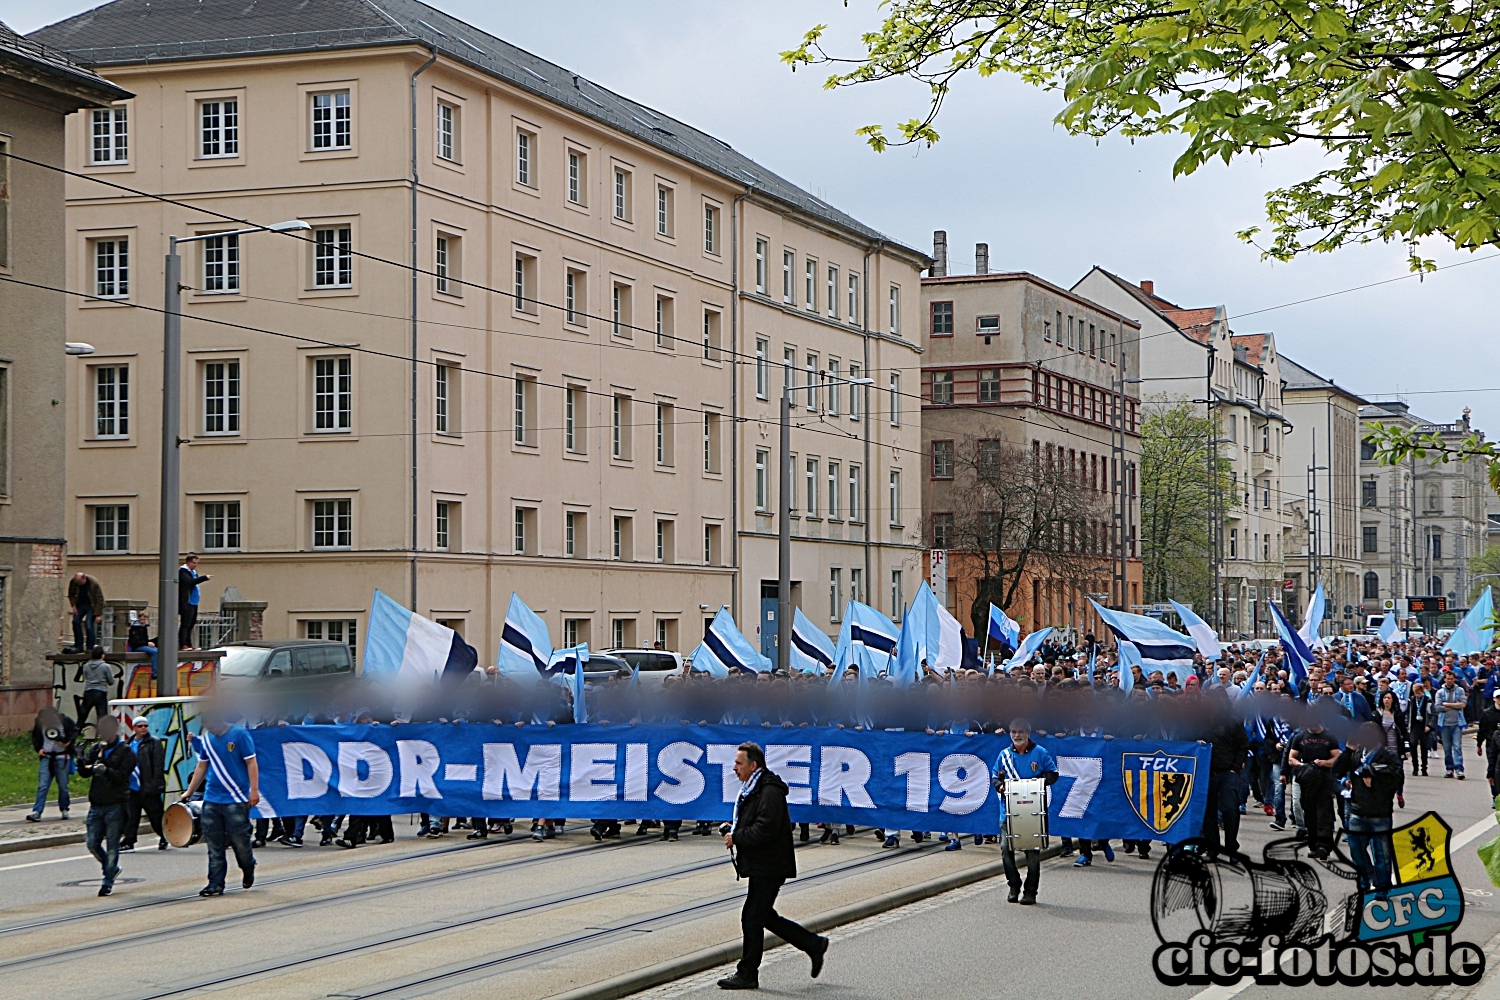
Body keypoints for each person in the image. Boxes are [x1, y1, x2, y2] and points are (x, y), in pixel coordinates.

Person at [716, 741, 828, 991]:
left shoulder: (768, 791)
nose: (734, 768)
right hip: (763, 863)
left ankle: (747, 974)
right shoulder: (754, 788)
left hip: (770, 864)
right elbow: (756, 820)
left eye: (738, 763)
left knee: (752, 916)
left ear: (753, 765)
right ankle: (813, 944)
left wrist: (738, 836)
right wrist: (734, 827)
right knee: (762, 915)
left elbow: (766, 827)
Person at [180, 711, 259, 897]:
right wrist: (189, 792)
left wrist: (254, 790)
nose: (210, 730)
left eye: (212, 726)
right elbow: (202, 766)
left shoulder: (239, 735)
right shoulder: (208, 739)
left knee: (240, 841)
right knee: (214, 844)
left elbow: (251, 763)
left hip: (236, 798)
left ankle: (248, 866)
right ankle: (215, 883)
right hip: (212, 798)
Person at [1335, 721, 1405, 898]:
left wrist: (1374, 779)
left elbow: (1396, 780)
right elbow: (1338, 770)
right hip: (1357, 811)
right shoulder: (1357, 753)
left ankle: (1382, 888)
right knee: (1356, 849)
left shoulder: (1388, 756)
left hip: (1380, 813)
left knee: (1382, 854)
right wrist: (1349, 751)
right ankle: (1366, 879)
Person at [993, 717, 1059, 905]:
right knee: (1006, 849)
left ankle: (1031, 891)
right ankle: (1013, 884)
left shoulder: (1040, 753)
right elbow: (995, 776)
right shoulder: (1004, 755)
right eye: (1013, 731)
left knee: (1032, 853)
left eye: (1021, 731)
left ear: (1028, 733)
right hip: (1008, 811)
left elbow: (1053, 774)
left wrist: (1037, 783)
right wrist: (1000, 787)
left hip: (1033, 811)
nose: (1017, 735)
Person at [79, 715, 136, 897]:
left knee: (113, 845)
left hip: (115, 804)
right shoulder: (96, 749)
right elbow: (85, 773)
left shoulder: (125, 751)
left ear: (114, 730)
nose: (103, 735)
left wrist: (106, 770)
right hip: (97, 804)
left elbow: (122, 776)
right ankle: (110, 867)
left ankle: (108, 881)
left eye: (106, 731)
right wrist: (80, 760)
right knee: (92, 842)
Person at [1287, 716, 1342, 860]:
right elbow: (1291, 757)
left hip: (1324, 779)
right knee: (1309, 812)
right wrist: (1302, 765)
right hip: (1307, 779)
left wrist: (1324, 762)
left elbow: (1337, 757)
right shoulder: (1300, 737)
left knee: (1324, 812)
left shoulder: (1329, 737)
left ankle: (1324, 846)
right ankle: (1313, 845)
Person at [122, 716, 168, 852]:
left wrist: (155, 784)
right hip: (132, 787)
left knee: (155, 816)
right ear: (134, 728)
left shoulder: (154, 742)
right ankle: (129, 841)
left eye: (145, 726)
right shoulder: (129, 743)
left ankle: (164, 836)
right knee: (131, 816)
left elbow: (158, 766)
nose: (143, 728)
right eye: (140, 726)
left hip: (148, 786)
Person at [26, 706, 76, 822]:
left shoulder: (64, 721)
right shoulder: (39, 723)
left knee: (63, 786)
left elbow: (75, 731)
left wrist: (68, 742)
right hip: (47, 756)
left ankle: (64, 809)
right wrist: (38, 749)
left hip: (62, 757)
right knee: (42, 785)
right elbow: (35, 737)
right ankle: (37, 811)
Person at [1437, 673, 1468, 779]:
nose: (1449, 680)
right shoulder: (1440, 692)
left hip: (1457, 723)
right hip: (1444, 723)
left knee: (1457, 747)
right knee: (1446, 748)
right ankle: (1449, 769)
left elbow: (1463, 704)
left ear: (1454, 679)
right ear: (1444, 679)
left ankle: (1459, 769)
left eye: (1451, 679)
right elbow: (1438, 707)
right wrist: (1455, 705)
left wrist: (1447, 704)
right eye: (1447, 678)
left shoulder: (1460, 690)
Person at [178, 554, 211, 650]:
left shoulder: (193, 572)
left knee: (191, 624)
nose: (195, 565)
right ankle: (183, 643)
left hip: (194, 602)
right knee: (185, 624)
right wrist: (204, 578)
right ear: (188, 562)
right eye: (194, 562)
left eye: (197, 563)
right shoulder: (183, 572)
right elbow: (190, 582)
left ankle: (189, 643)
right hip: (187, 602)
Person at [75, 646, 113, 726]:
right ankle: (101, 737)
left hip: (88, 692)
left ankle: (74, 736)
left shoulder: (86, 666)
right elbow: (111, 682)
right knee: (102, 718)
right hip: (101, 692)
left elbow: (85, 677)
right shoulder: (105, 666)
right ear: (102, 655)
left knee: (81, 717)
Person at [67, 571, 104, 652]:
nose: (79, 584)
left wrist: (98, 614)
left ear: (84, 578)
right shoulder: (74, 582)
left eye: (80, 582)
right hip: (80, 604)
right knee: (75, 621)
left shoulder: (93, 583)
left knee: (89, 624)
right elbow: (71, 594)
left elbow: (99, 599)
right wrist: (73, 606)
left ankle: (90, 647)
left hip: (91, 605)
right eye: (77, 582)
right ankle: (78, 646)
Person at [127, 613, 159, 679]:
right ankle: (155, 672)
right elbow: (135, 642)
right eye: (141, 619)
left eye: (144, 619)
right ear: (139, 619)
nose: (143, 621)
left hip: (142, 645)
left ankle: (157, 670)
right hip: (137, 647)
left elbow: (145, 639)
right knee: (155, 651)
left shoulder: (144, 627)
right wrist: (147, 643)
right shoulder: (135, 628)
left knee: (157, 650)